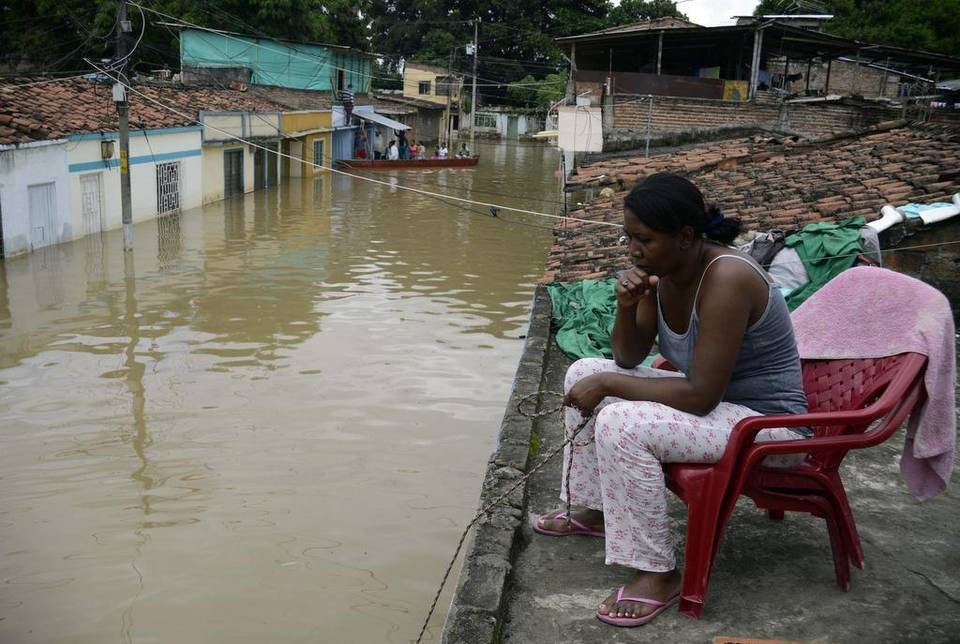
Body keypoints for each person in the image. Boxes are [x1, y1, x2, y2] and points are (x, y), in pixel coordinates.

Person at [533, 173, 809, 627]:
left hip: (770, 429)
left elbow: (700, 395)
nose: (633, 251)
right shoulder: (663, 276)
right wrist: (626, 305)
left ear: (685, 237)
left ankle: (657, 573)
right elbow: (627, 356)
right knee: (584, 369)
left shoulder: (727, 278)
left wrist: (609, 387)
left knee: (621, 421)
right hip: (723, 412)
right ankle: (594, 509)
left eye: (644, 239)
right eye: (629, 238)